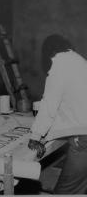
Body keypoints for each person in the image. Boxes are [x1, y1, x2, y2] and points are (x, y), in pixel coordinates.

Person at [28, 34, 87, 194]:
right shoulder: (78, 60)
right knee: (81, 187)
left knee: (66, 191)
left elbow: (49, 105)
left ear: (49, 53)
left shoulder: (59, 66)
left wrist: (35, 136)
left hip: (83, 138)